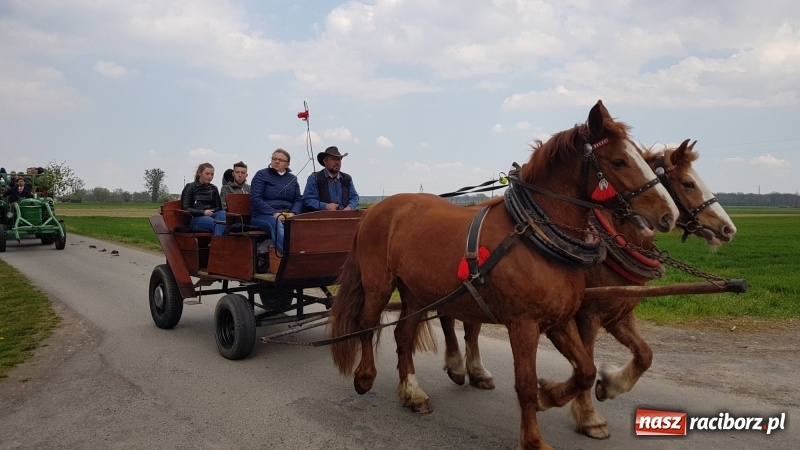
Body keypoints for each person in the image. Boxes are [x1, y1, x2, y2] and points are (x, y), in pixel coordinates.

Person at [250, 149, 302, 256]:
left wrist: (293, 213)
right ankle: (291, 257)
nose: (276, 161)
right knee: (276, 222)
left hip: (287, 215)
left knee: (305, 224)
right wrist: (274, 213)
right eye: (274, 159)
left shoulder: (292, 179)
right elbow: (256, 198)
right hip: (262, 215)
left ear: (287, 164)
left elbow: (298, 200)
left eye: (281, 160)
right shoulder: (261, 175)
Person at [302, 146, 359, 212]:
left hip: (345, 217)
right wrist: (326, 206)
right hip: (322, 219)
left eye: (338, 159)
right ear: (325, 161)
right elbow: (308, 200)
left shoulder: (347, 178)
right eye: (333, 159)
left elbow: (354, 197)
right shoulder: (315, 178)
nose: (336, 162)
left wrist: (349, 207)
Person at [180, 162, 227, 236]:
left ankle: (216, 242)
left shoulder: (213, 188)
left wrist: (212, 211)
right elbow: (185, 207)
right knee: (219, 224)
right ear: (199, 173)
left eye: (212, 174)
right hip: (196, 217)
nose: (210, 176)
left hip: (212, 214)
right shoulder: (190, 187)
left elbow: (219, 207)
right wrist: (203, 212)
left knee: (222, 213)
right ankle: (217, 242)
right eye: (207, 174)